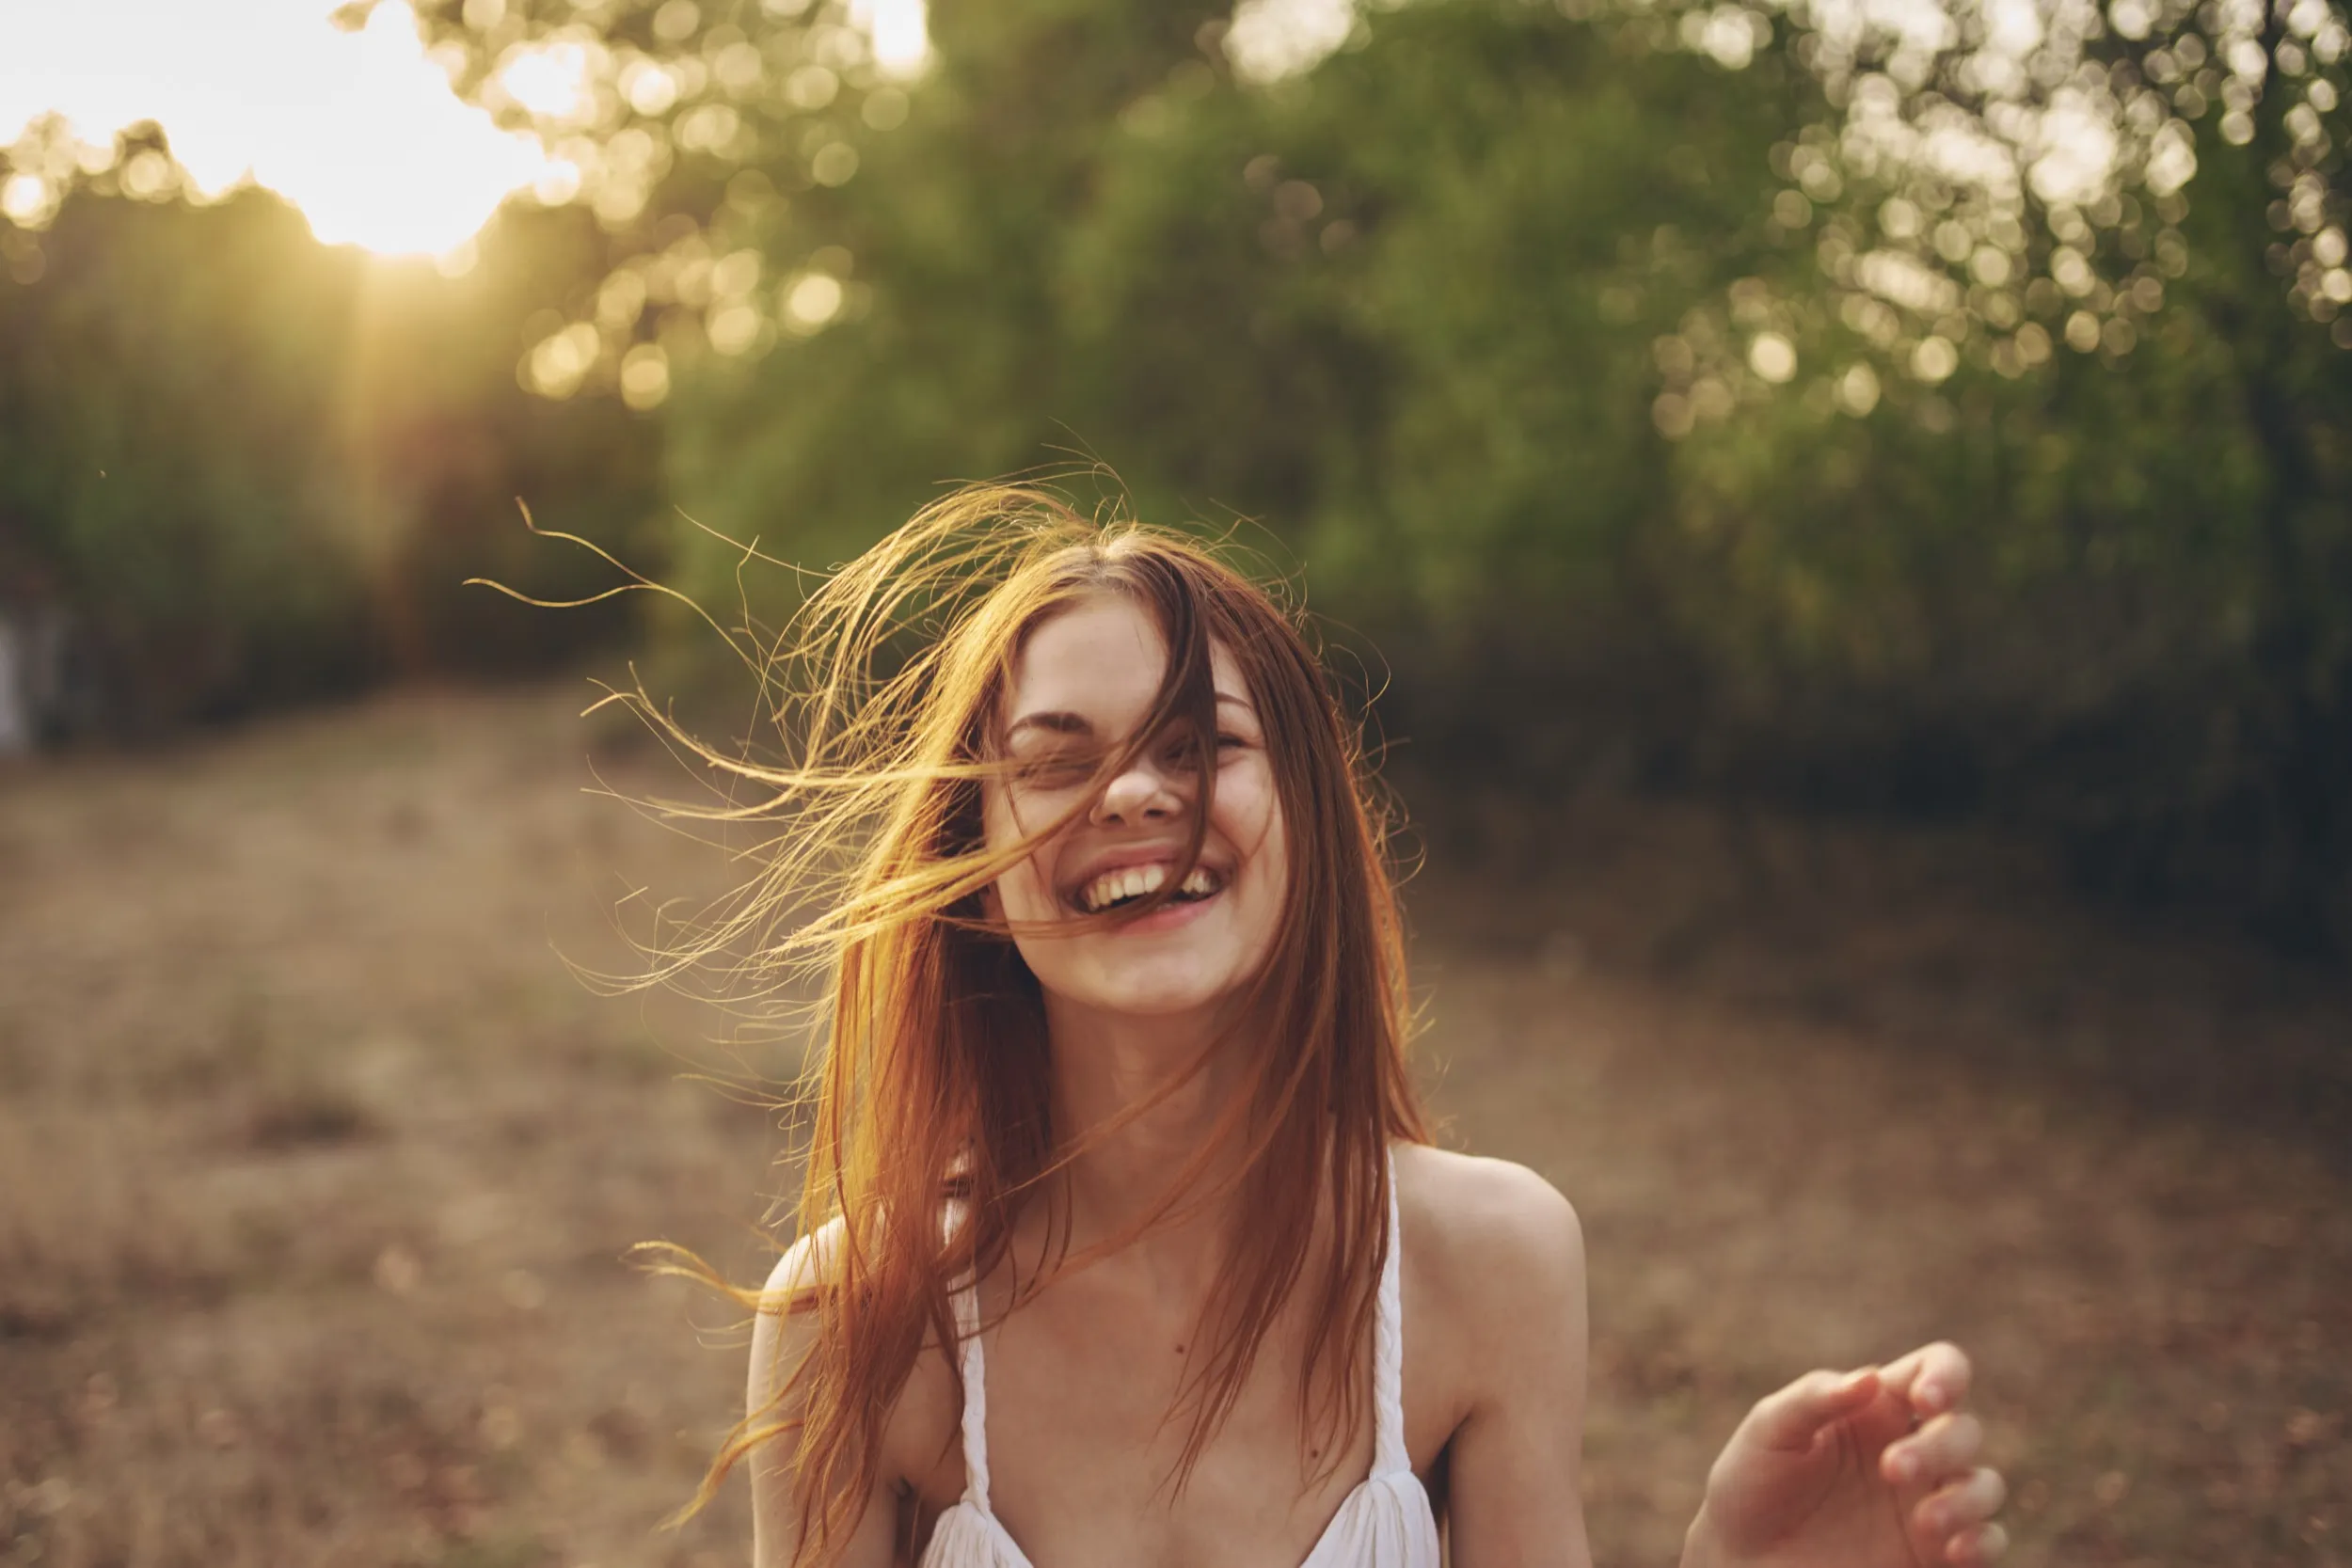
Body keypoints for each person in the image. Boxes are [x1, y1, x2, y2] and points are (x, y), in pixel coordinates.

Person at [658, 485, 2010, 1567]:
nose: (1131, 793)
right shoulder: (859, 1316)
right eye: (1058, 759)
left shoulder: (1489, 1263)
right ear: (980, 860)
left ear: (1303, 811)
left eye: (1198, 744)